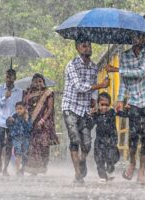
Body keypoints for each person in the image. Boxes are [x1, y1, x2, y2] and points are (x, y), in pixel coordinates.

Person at [105, 37, 145, 184]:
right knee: (133, 136)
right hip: (134, 101)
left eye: (141, 35)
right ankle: (132, 163)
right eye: (135, 35)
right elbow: (124, 81)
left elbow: (141, 72)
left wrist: (115, 69)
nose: (139, 38)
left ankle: (141, 172)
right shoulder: (125, 55)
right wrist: (120, 99)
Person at [62, 37, 110, 184]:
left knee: (87, 143)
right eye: (84, 46)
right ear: (77, 48)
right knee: (75, 139)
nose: (87, 48)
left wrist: (94, 102)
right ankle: (78, 174)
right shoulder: (72, 65)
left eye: (89, 45)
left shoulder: (94, 67)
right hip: (70, 107)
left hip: (84, 109)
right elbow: (79, 86)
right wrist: (101, 85)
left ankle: (81, 161)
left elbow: (93, 90)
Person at [24, 73, 59, 175]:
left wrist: (42, 121)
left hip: (44, 123)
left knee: (43, 145)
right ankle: (33, 170)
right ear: (32, 83)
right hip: (31, 122)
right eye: (35, 81)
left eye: (40, 81)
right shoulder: (28, 93)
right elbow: (25, 107)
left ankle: (43, 166)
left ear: (43, 82)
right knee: (33, 145)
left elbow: (50, 109)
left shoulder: (48, 93)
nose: (38, 83)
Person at [89, 92, 127, 182]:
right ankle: (102, 176)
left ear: (109, 105)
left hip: (111, 141)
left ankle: (110, 170)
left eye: (107, 105)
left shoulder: (112, 112)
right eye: (102, 105)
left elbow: (123, 114)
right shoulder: (96, 114)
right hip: (99, 141)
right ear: (98, 104)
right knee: (99, 160)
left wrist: (125, 109)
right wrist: (90, 115)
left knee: (110, 159)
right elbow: (90, 126)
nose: (104, 107)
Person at [0, 69, 23, 176]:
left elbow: (19, 107)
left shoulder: (19, 91)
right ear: (5, 77)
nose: (9, 79)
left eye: (11, 77)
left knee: (9, 145)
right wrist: (4, 97)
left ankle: (5, 169)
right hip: (0, 121)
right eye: (7, 76)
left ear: (15, 78)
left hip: (12, 122)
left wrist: (15, 117)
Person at [6, 102, 32, 176]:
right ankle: (17, 170)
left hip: (25, 138)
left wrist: (26, 119)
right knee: (18, 153)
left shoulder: (28, 117)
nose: (19, 110)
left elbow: (30, 128)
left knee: (25, 154)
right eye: (17, 109)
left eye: (20, 109)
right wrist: (9, 121)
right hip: (16, 138)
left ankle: (22, 169)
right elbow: (9, 125)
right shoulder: (14, 116)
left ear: (24, 109)